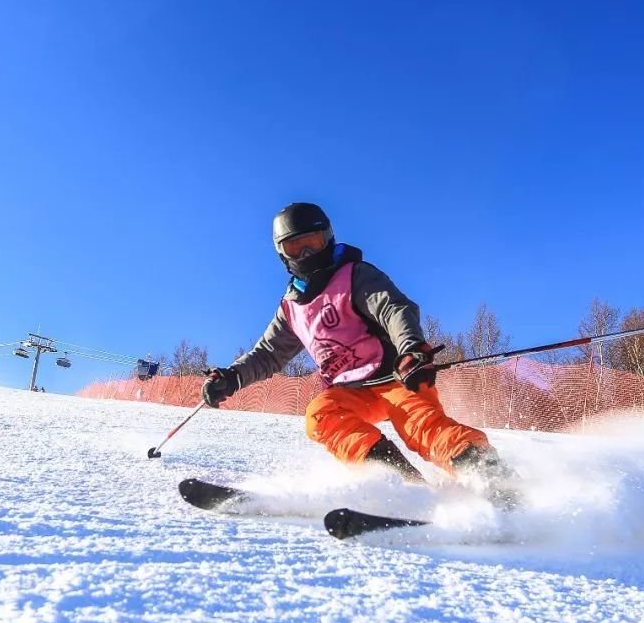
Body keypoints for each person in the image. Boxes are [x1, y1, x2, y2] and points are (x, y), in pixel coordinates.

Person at [202, 202, 519, 507]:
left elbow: (393, 308)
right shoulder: (292, 308)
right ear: (282, 255)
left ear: (328, 238)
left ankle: (499, 486)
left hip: (396, 379)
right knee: (321, 414)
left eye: (312, 242)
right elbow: (268, 353)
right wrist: (232, 377)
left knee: (424, 429)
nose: (306, 253)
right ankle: (404, 485)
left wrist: (411, 348)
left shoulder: (355, 275)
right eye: (295, 248)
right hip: (351, 393)